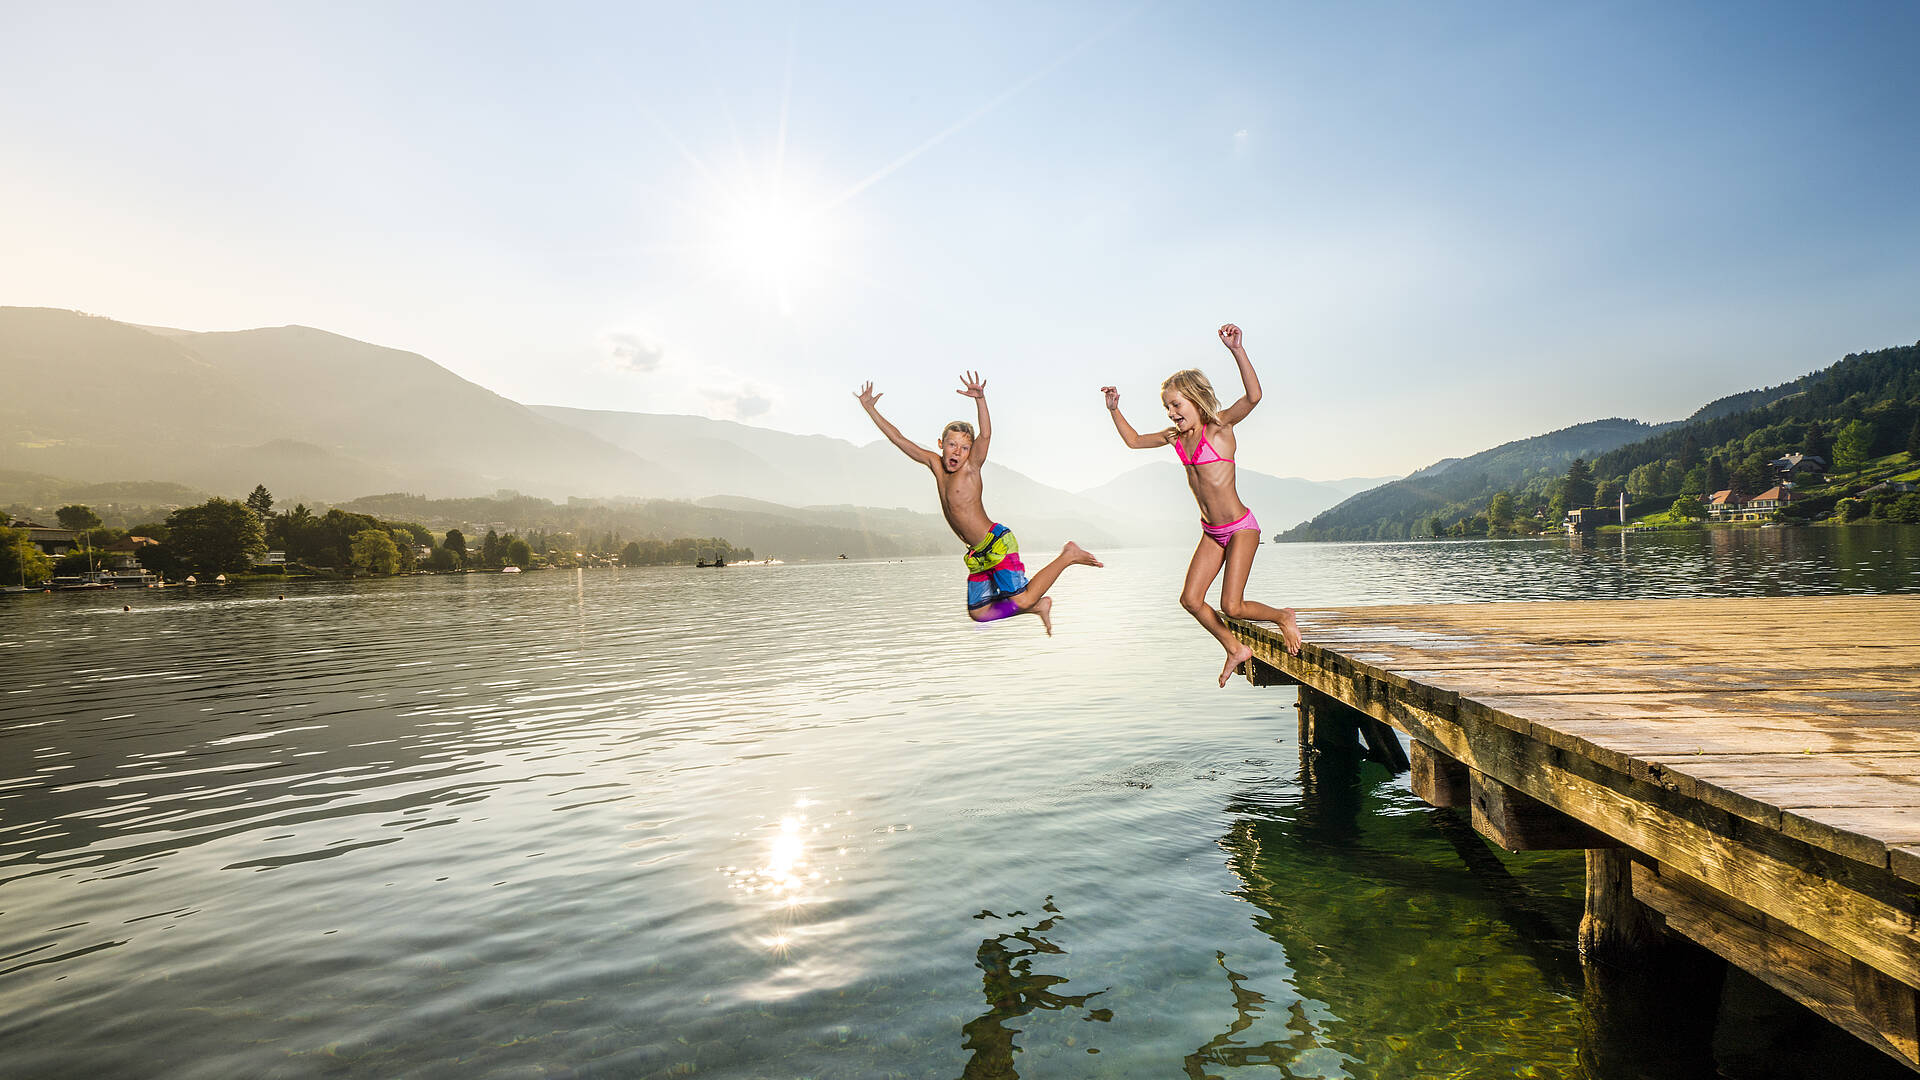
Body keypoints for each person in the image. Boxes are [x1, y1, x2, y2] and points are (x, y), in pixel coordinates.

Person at [1101, 323, 1303, 686]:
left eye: (1176, 405)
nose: (1171, 413)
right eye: (1167, 407)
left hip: (1241, 528)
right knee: (1191, 600)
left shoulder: (1219, 428)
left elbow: (1253, 396)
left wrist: (1236, 350)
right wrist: (1115, 409)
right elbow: (1133, 441)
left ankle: (1282, 616)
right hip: (1211, 532)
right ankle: (1235, 648)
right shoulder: (1175, 437)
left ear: (1196, 399)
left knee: (1232, 606)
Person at [858, 371, 1101, 634]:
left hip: (996, 542)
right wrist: (871, 409)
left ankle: (1068, 555)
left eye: (964, 448)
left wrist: (980, 400)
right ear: (941, 444)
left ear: (970, 452)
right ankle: (1037, 607)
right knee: (979, 613)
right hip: (978, 552)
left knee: (1022, 597)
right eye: (952, 445)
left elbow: (985, 435)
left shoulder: (971, 467)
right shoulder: (935, 465)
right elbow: (899, 439)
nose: (957, 452)